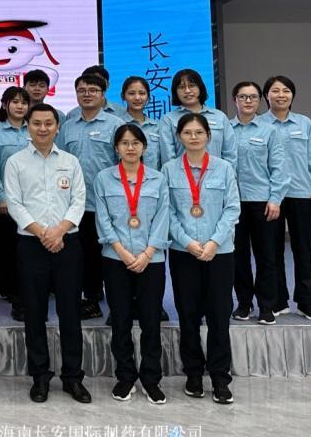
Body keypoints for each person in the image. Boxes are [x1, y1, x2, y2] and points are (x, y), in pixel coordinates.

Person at [4, 103, 90, 404]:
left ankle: (73, 377)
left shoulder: (70, 161)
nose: (43, 128)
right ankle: (40, 377)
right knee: (34, 312)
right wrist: (43, 233)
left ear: (57, 127)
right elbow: (14, 204)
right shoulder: (15, 162)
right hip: (31, 245)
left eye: (48, 123)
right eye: (37, 123)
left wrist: (60, 231)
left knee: (70, 312)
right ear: (27, 126)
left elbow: (79, 200)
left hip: (67, 243)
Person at [164, 112, 241, 405]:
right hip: (184, 252)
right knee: (188, 314)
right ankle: (193, 374)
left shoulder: (224, 168)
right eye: (187, 133)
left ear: (208, 136)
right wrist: (188, 242)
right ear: (179, 137)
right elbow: (167, 211)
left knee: (219, 316)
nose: (193, 137)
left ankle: (221, 378)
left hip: (219, 252)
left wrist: (213, 242)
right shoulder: (169, 170)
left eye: (199, 132)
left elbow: (232, 209)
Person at [94, 124, 170, 405]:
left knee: (151, 321)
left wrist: (147, 253)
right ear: (116, 148)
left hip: (152, 259)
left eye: (135, 143)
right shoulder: (104, 179)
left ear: (144, 147)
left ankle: (151, 379)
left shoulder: (158, 179)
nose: (130, 148)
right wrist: (122, 252)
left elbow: (163, 217)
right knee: (121, 320)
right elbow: (102, 218)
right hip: (116, 258)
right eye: (124, 143)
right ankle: (125, 377)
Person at [261, 75, 311, 321]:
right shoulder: (259, 124)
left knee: (303, 249)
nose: (281, 95)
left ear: (292, 95)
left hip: (301, 192)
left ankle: (306, 302)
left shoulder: (304, 123)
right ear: (266, 95)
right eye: (275, 90)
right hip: (270, 196)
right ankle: (278, 301)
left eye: (286, 90)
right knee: (272, 250)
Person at [57, 72, 123, 320]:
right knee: (83, 255)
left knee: (112, 254)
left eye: (93, 90)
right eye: (82, 90)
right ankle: (91, 299)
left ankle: (118, 305)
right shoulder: (68, 126)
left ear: (103, 94)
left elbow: (123, 161)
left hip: (108, 203)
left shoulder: (115, 125)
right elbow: (59, 161)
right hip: (76, 205)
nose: (87, 94)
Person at [230, 81, 290, 324]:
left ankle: (267, 305)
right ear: (234, 100)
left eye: (253, 97)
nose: (248, 101)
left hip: (263, 202)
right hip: (233, 203)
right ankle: (244, 304)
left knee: (267, 256)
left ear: (259, 100)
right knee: (238, 257)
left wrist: (276, 199)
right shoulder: (225, 130)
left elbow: (279, 168)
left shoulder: (270, 131)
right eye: (243, 96)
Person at [0, 86, 31, 320]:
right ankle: (7, 289)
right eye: (14, 102)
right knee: (6, 247)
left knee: (27, 249)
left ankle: (25, 292)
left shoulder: (34, 128)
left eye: (23, 102)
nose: (19, 106)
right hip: (6, 201)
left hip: (32, 201)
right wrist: (0, 196)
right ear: (5, 105)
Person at [161, 69, 237, 167]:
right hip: (182, 175)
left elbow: (230, 153)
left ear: (200, 88)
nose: (187, 91)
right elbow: (168, 157)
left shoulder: (219, 116)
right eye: (182, 87)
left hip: (218, 175)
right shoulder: (168, 119)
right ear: (175, 92)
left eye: (192, 86)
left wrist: (226, 174)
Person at [119, 76, 164, 170]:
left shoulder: (157, 127)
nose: (137, 98)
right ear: (123, 96)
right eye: (131, 93)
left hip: (153, 178)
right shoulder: (118, 124)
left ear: (148, 98)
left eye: (142, 93)